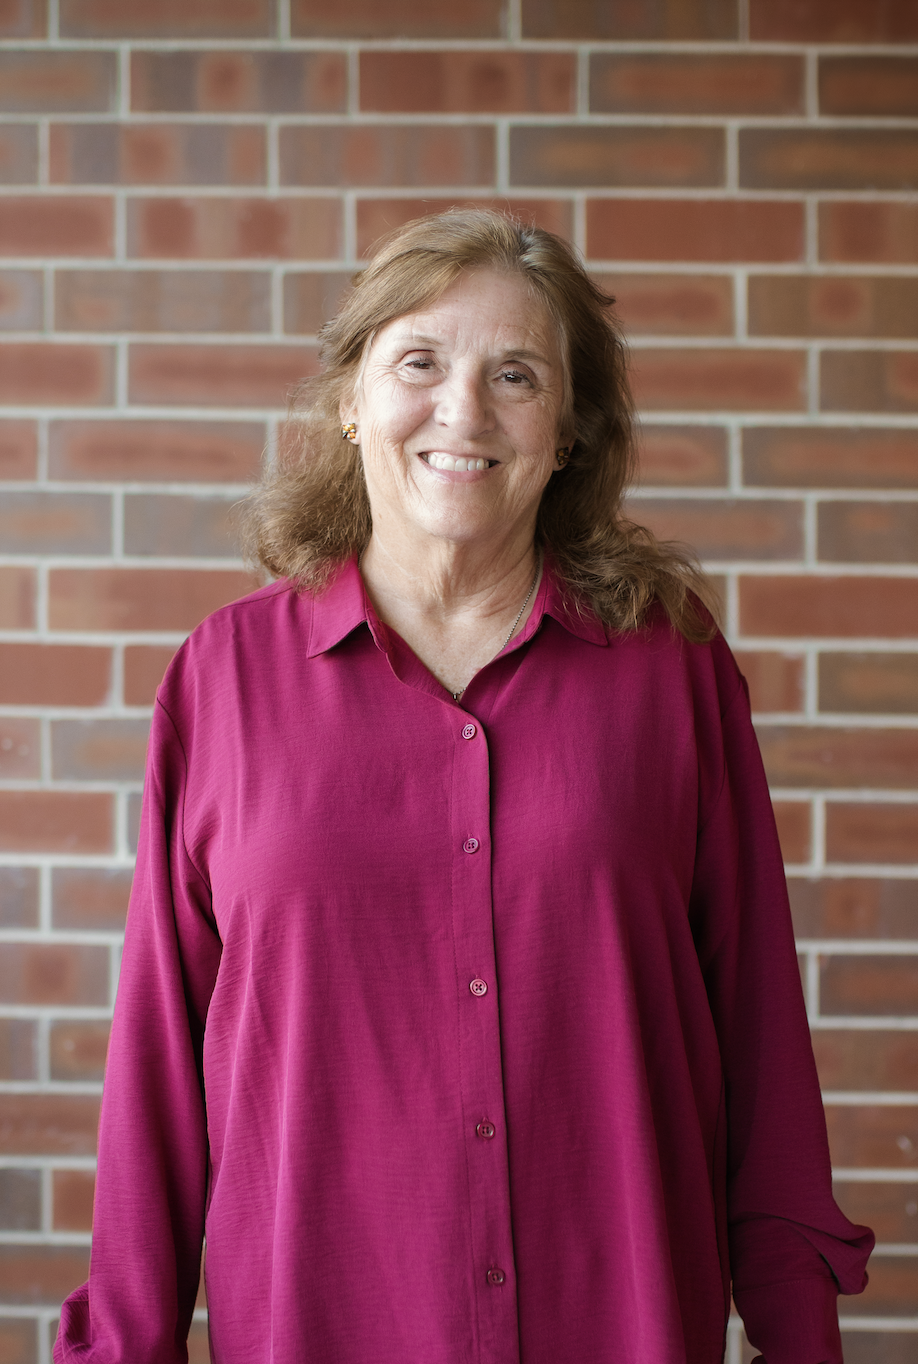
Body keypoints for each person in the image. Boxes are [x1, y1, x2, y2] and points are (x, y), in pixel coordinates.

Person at [55, 209, 872, 1364]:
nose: (463, 411)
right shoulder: (222, 681)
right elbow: (156, 1072)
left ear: (571, 429)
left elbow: (759, 1043)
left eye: (517, 373)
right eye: (419, 362)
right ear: (350, 399)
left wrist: (801, 1337)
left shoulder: (672, 668)